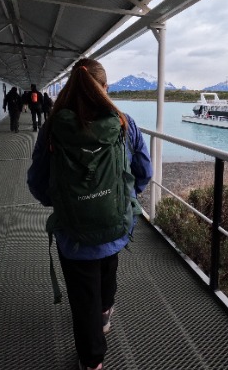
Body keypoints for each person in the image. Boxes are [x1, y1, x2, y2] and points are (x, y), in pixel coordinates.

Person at [27, 58, 152, 370]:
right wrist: (124, 199)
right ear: (105, 89)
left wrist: (63, 203)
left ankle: (92, 361)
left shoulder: (53, 128)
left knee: (83, 298)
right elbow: (144, 172)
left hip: (74, 233)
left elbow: (36, 181)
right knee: (107, 270)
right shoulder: (125, 123)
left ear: (70, 88)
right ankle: (105, 313)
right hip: (114, 223)